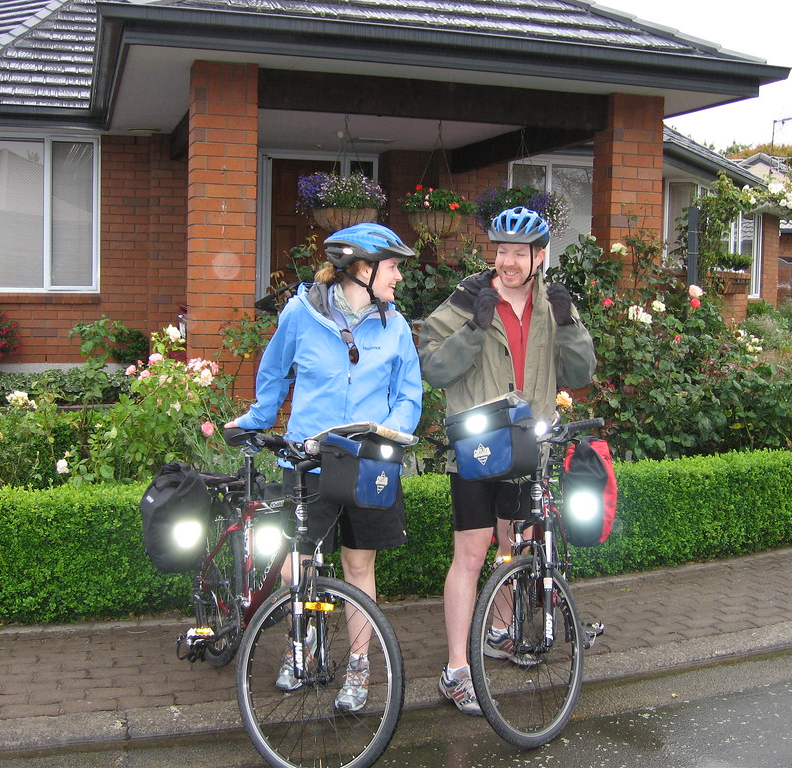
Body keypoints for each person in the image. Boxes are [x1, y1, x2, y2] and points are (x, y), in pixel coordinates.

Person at [226, 222, 422, 713]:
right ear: (362, 267)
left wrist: (389, 434)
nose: (399, 277)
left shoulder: (394, 325)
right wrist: (256, 421)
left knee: (359, 565)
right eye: (393, 266)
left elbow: (409, 394)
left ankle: (359, 667)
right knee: (302, 562)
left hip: (367, 464)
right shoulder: (300, 314)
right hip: (309, 461)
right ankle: (304, 645)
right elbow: (273, 371)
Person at [418, 206, 597, 715]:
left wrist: (567, 324)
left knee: (514, 548)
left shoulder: (551, 305)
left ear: (540, 256)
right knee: (471, 555)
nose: (508, 261)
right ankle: (456, 670)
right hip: (477, 449)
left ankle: (499, 632)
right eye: (502, 251)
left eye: (519, 252)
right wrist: (474, 328)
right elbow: (434, 370)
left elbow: (581, 372)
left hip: (527, 448)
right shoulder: (464, 301)